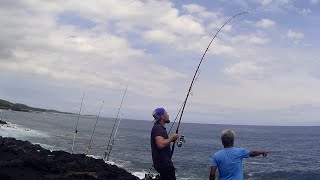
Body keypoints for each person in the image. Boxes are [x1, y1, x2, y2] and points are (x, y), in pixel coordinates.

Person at [151, 107, 179, 180]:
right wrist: (171, 138)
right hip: (164, 164)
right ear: (162, 117)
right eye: (166, 113)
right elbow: (160, 144)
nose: (168, 115)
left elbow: (162, 141)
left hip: (162, 164)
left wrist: (171, 140)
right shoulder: (158, 128)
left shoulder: (159, 127)